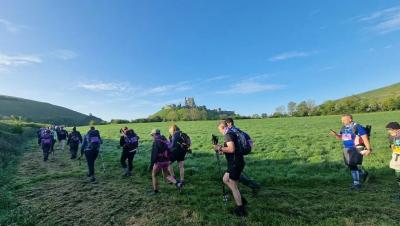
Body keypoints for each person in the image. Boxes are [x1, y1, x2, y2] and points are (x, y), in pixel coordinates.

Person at [213, 120, 247, 217]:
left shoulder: (228, 135)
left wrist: (219, 148)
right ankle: (240, 199)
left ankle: (240, 210)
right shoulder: (232, 133)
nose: (220, 132)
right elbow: (231, 149)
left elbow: (231, 149)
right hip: (235, 162)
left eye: (219, 129)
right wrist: (221, 149)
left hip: (235, 163)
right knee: (225, 179)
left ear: (222, 127)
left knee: (233, 185)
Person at [330, 114, 372, 190]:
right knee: (349, 165)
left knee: (352, 165)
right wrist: (336, 134)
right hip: (346, 148)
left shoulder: (357, 127)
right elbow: (341, 137)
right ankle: (363, 174)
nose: (342, 121)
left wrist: (368, 149)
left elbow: (364, 138)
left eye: (344, 120)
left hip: (356, 147)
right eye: (342, 120)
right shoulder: (343, 128)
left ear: (350, 119)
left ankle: (357, 184)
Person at [225, 118, 260, 195]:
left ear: (229, 123)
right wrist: (249, 148)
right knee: (234, 176)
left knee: (234, 176)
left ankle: (251, 186)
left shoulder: (231, 132)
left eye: (224, 126)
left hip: (235, 158)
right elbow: (249, 140)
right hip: (238, 156)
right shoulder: (238, 131)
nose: (224, 129)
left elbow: (231, 148)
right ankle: (237, 190)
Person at [149, 128, 182, 194]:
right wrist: (170, 159)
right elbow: (170, 150)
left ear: (155, 134)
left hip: (159, 162)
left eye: (152, 135)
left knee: (154, 175)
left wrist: (151, 164)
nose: (152, 136)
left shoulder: (156, 142)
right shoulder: (165, 140)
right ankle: (178, 183)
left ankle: (156, 191)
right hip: (166, 161)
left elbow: (154, 154)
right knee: (167, 175)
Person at [385, 122, 400, 202]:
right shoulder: (391, 136)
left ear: (395, 129)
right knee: (398, 176)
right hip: (396, 157)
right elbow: (392, 145)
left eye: (389, 130)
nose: (388, 131)